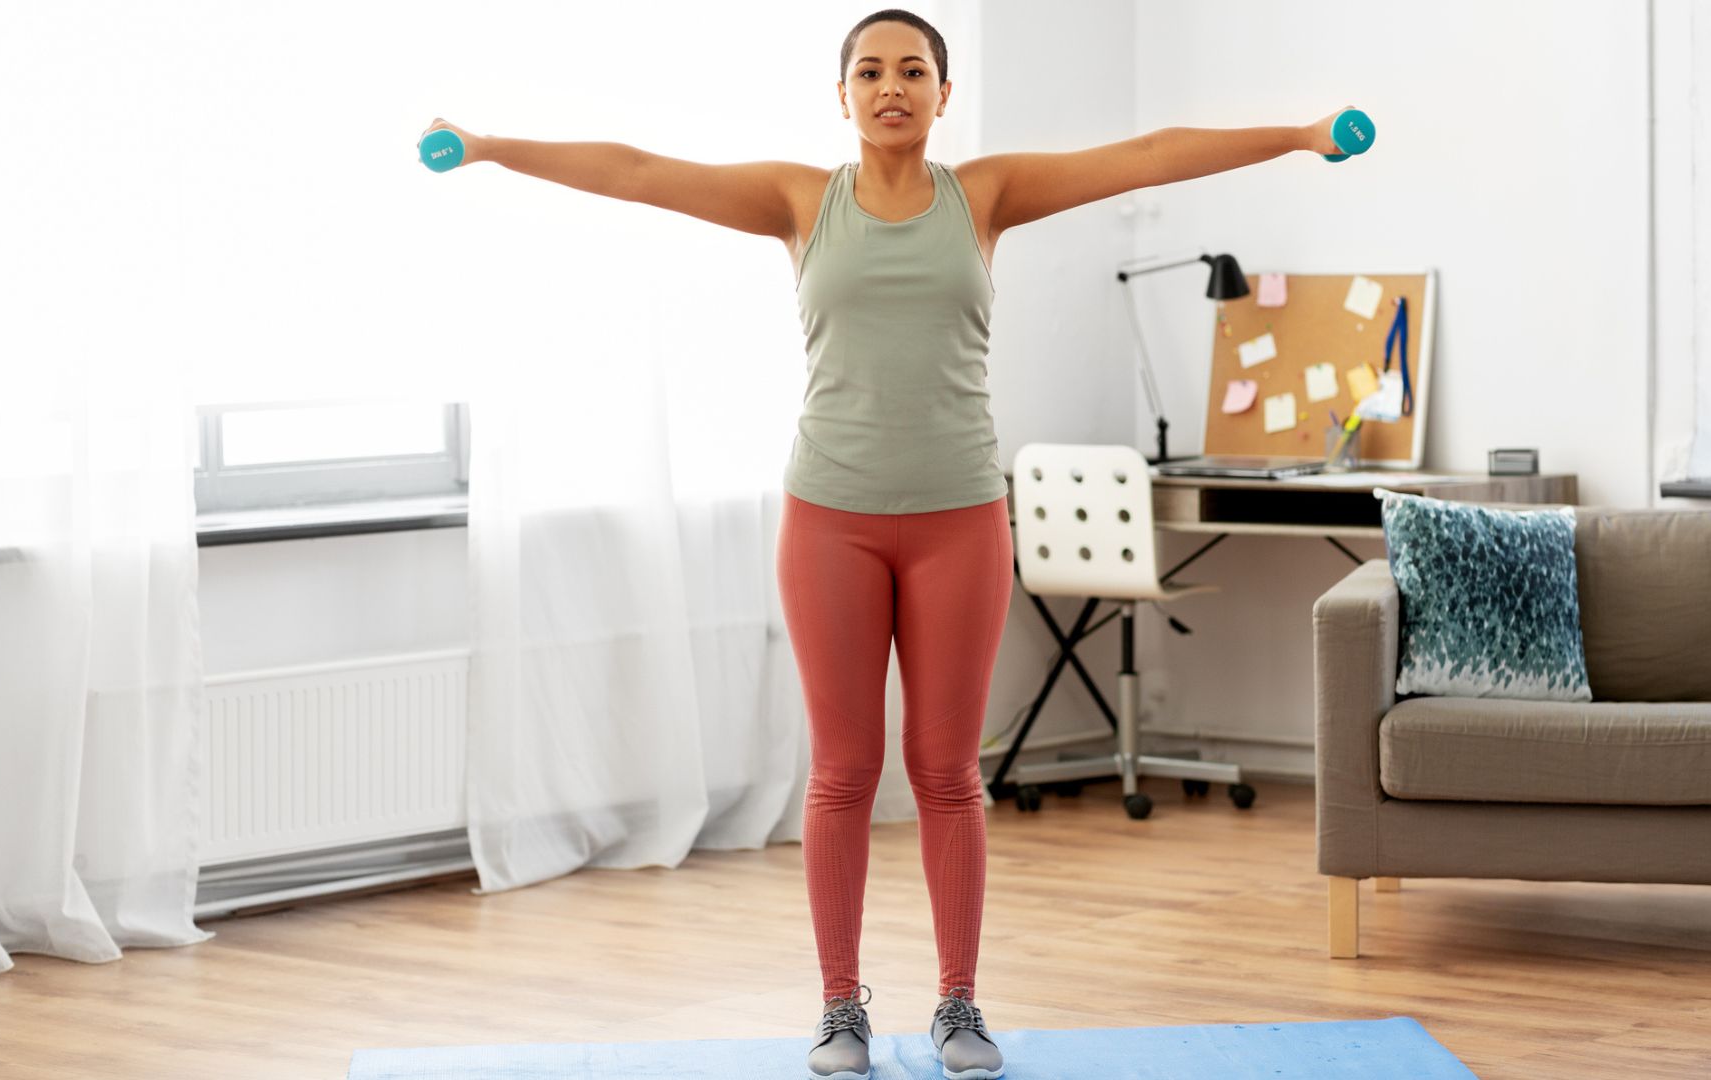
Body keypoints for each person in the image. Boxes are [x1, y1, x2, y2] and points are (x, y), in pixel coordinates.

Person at [418, 9, 1353, 1079]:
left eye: (914, 70)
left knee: (949, 773)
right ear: (844, 95)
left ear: (943, 96)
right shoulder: (799, 201)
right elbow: (638, 171)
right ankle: (839, 1008)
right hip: (831, 521)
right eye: (871, 70)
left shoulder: (986, 197)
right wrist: (491, 147)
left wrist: (1297, 133)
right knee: (843, 773)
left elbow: (1139, 158)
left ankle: (959, 1003)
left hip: (960, 520)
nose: (892, 85)